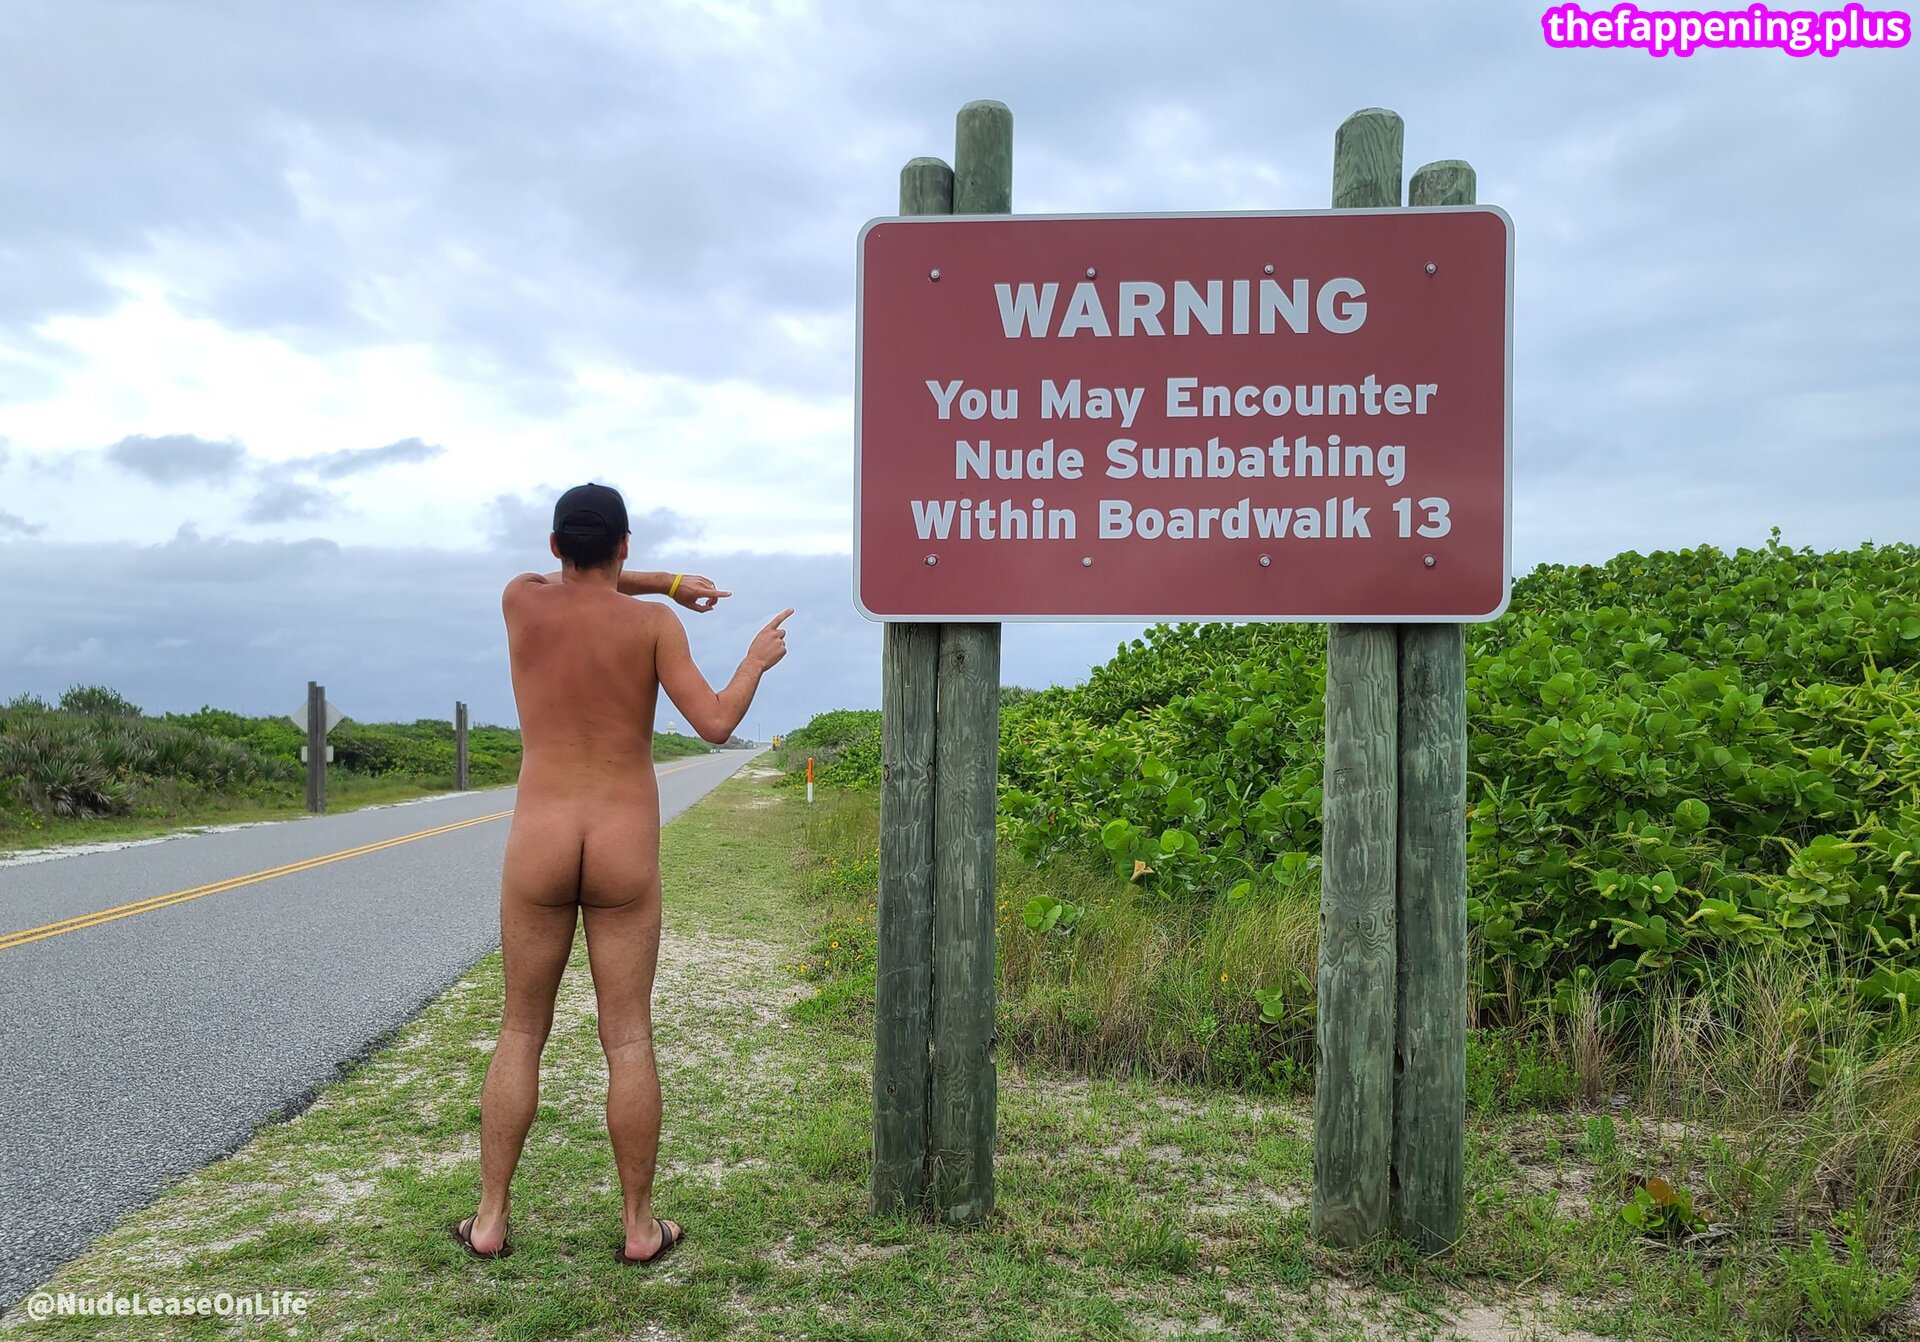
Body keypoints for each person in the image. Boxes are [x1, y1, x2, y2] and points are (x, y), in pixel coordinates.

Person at [452, 482, 791, 1266]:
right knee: (628, 1037)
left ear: (553, 546)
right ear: (626, 545)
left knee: (520, 1030)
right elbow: (715, 723)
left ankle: (491, 1219)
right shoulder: (653, 626)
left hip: (538, 839)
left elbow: (579, 579)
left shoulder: (521, 601)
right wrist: (751, 659)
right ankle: (640, 1227)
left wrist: (660, 579)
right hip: (622, 841)